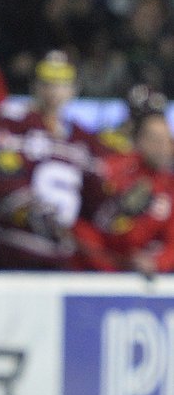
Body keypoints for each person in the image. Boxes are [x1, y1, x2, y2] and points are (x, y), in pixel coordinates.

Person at [0, 51, 108, 270]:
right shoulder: (14, 124)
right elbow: (2, 174)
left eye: (61, 84)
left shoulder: (85, 140)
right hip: (12, 244)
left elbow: (95, 197)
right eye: (47, 83)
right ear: (35, 86)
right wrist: (29, 209)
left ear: (74, 89)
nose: (54, 91)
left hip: (61, 252)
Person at [73, 108, 174, 273]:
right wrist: (119, 210)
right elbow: (91, 219)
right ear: (138, 141)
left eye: (167, 140)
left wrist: (156, 262)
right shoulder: (112, 169)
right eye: (155, 140)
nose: (163, 147)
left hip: (148, 265)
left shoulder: (171, 185)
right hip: (103, 261)